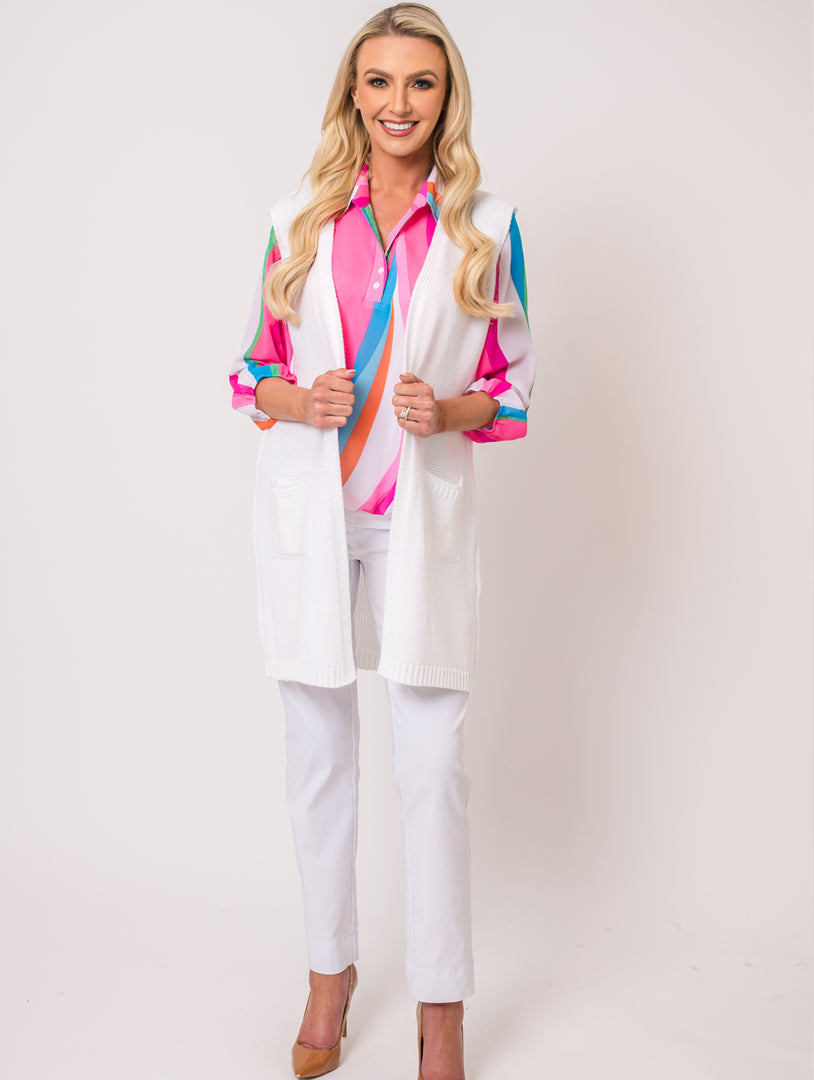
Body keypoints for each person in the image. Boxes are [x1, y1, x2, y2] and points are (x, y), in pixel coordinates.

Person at [228, 5, 536, 1077]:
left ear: (446, 98)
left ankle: (441, 1007)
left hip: (418, 518)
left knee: (433, 764)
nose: (398, 103)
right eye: (378, 82)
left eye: (420, 83)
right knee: (317, 755)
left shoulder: (486, 227)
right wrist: (296, 397)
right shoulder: (297, 218)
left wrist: (444, 410)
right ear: (351, 95)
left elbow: (512, 389)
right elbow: (248, 371)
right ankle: (330, 973)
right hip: (313, 514)